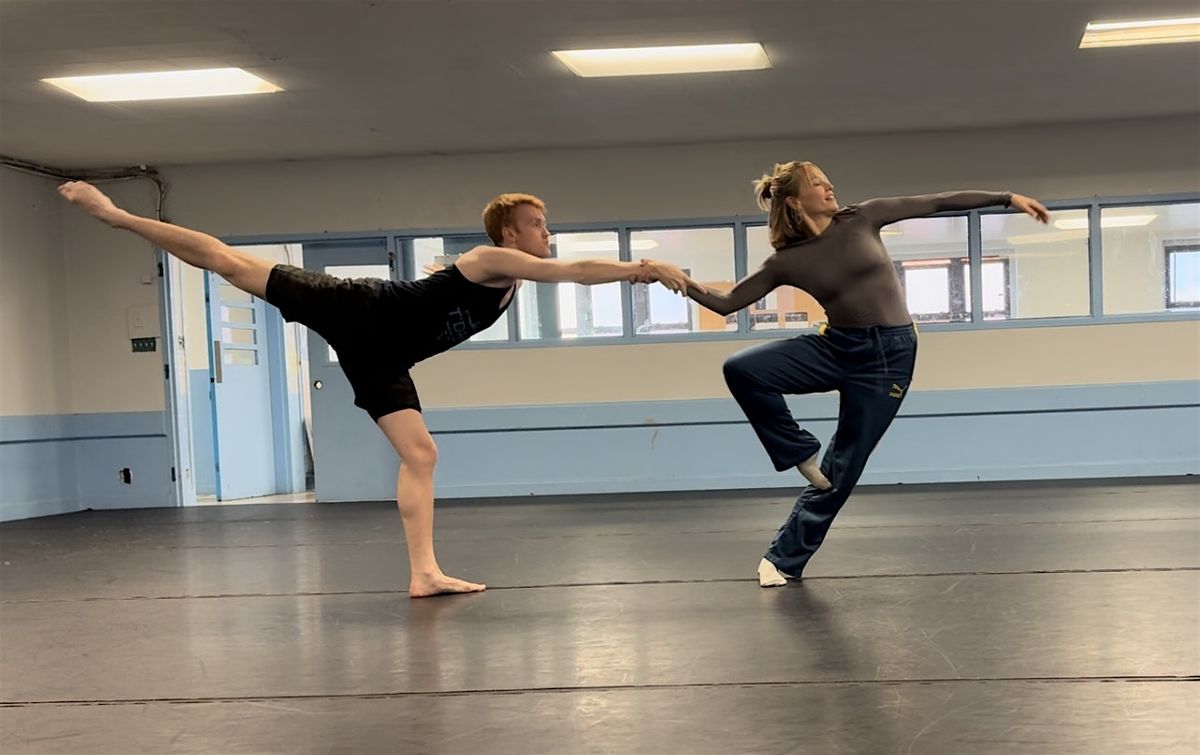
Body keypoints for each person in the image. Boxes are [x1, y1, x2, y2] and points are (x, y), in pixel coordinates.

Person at [58, 182, 699, 597]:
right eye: (538, 224)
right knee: (228, 260)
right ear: (511, 233)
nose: (546, 231)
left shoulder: (501, 276)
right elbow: (572, 271)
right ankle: (117, 217)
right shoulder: (489, 260)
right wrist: (644, 267)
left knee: (421, 455)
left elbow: (539, 271)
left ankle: (423, 573)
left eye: (546, 223)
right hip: (359, 310)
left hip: (383, 356)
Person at [666, 161, 1049, 587]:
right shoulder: (786, 261)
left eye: (828, 180)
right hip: (837, 346)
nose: (830, 187)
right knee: (742, 369)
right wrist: (676, 278)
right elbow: (726, 303)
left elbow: (937, 202)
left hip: (888, 358)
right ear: (794, 200)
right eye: (817, 183)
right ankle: (797, 451)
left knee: (843, 469)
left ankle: (784, 559)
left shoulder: (863, 217)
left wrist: (1007, 198)